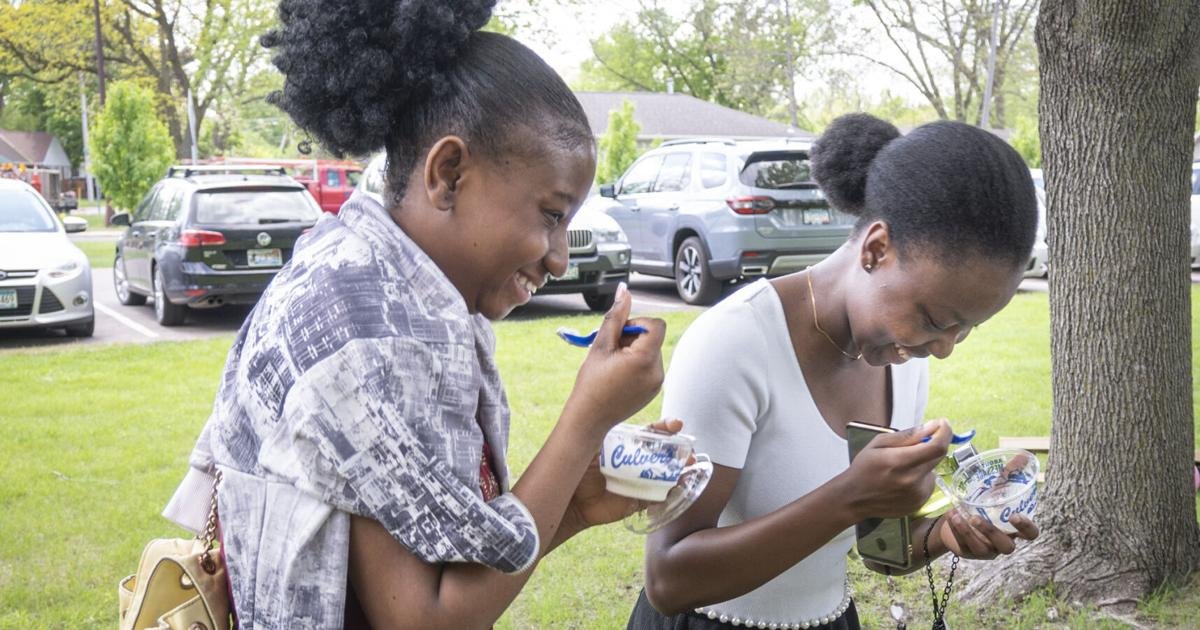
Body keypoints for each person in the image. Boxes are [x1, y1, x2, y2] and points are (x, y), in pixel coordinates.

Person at [161, 1, 670, 627]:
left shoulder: (347, 264)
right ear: (448, 174)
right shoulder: (377, 331)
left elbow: (448, 563)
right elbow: (428, 620)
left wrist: (575, 503)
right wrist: (587, 418)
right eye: (550, 215)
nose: (560, 260)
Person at [627, 113, 1042, 630]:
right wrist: (850, 495)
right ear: (875, 249)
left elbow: (876, 548)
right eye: (935, 321)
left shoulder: (900, 358)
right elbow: (669, 580)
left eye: (965, 329)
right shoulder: (736, 341)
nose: (944, 349)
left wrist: (944, 535)